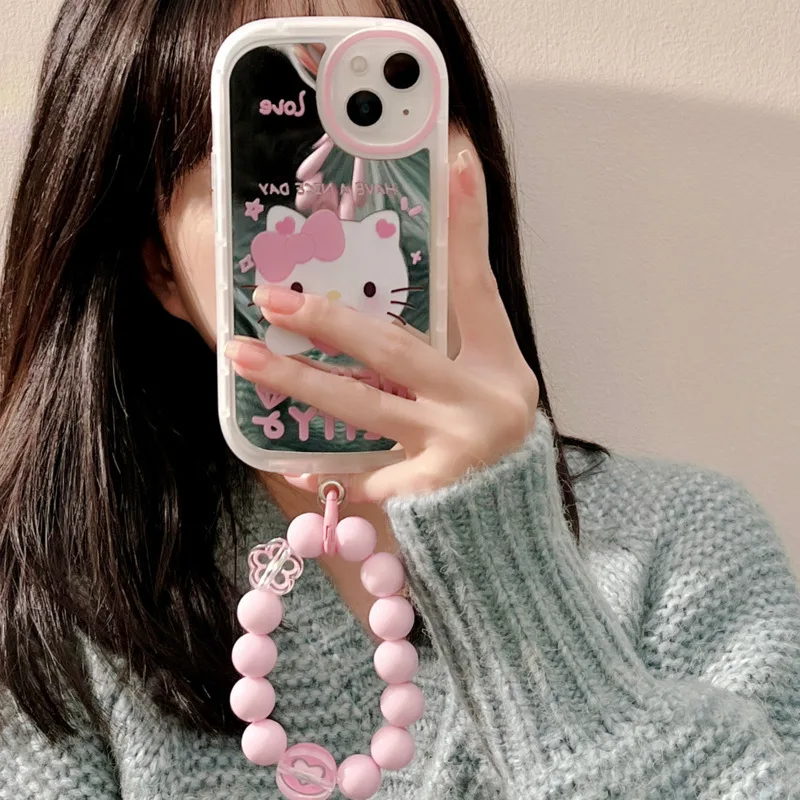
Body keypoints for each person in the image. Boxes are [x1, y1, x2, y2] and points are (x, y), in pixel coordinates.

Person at [1, 0, 798, 798]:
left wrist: (506, 566)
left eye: (386, 154)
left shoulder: (686, 548)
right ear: (160, 267)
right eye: (273, 168)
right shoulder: (53, 614)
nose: (340, 216)